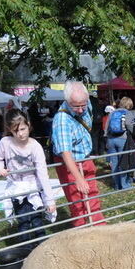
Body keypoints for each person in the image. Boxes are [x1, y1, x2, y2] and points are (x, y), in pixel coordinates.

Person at [0, 109, 57, 246]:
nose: (20, 134)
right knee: (23, 221)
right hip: (16, 189)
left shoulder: (35, 146)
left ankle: (42, 250)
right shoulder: (5, 143)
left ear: (28, 125)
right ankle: (26, 252)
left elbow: (42, 174)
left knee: (37, 220)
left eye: (23, 129)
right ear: (10, 130)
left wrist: (49, 199)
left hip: (33, 187)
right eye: (16, 131)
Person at [51, 80, 106, 227]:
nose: (81, 110)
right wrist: (79, 179)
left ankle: (99, 229)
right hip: (69, 164)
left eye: (84, 105)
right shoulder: (62, 120)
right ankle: (82, 235)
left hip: (85, 159)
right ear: (67, 101)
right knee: (78, 203)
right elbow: (66, 153)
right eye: (76, 106)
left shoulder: (86, 106)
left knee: (92, 196)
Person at [107, 97, 135, 190]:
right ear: (129, 105)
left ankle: (116, 185)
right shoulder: (128, 113)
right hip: (122, 139)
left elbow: (106, 127)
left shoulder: (112, 113)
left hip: (111, 139)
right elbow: (129, 125)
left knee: (114, 163)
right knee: (123, 162)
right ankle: (124, 185)